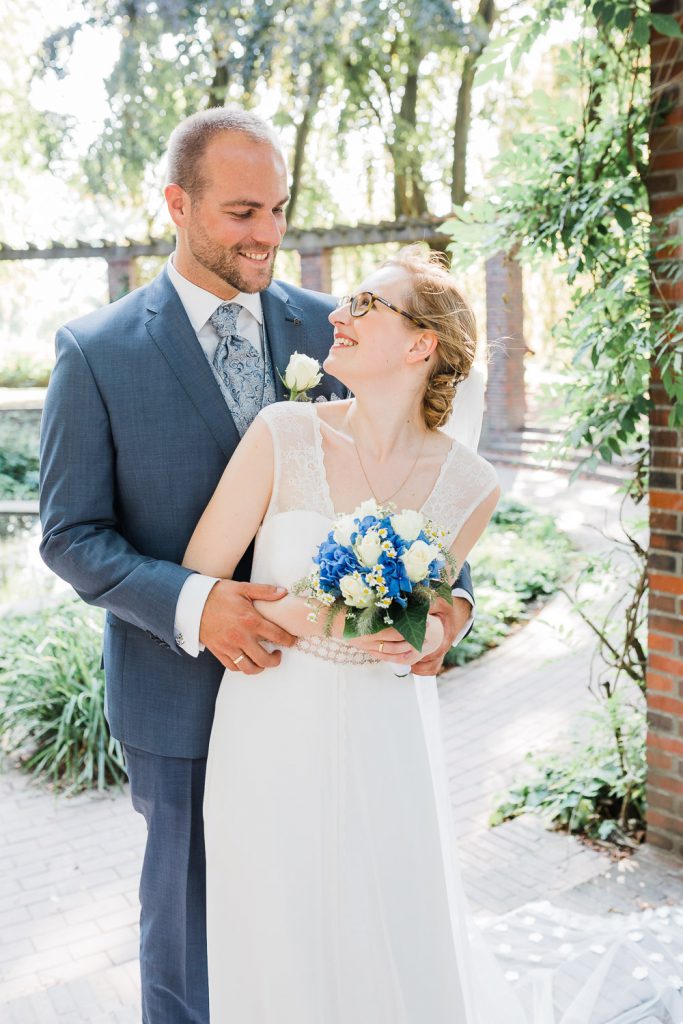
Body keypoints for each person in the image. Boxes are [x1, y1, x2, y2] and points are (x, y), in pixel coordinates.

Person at [39, 108, 478, 1024]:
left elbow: (414, 482)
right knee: (190, 931)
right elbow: (70, 534)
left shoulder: (336, 330)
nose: (269, 234)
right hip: (177, 688)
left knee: (332, 917)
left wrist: (454, 606)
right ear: (178, 205)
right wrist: (200, 605)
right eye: (243, 212)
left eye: (279, 207)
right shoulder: (98, 351)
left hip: (330, 704)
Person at [183, 245, 506, 1022]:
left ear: (420, 344)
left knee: (383, 919)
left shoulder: (470, 485)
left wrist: (437, 628)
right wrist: (310, 613)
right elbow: (202, 579)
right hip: (269, 721)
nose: (337, 314)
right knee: (274, 928)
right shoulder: (283, 433)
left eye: (364, 305)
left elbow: (433, 606)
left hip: (384, 728)